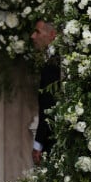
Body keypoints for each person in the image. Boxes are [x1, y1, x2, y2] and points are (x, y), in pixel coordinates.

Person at [31, 20, 59, 165]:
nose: (33, 36)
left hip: (53, 141)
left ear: (52, 35)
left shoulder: (54, 63)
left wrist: (38, 144)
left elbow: (49, 105)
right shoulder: (51, 59)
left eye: (38, 32)